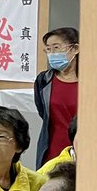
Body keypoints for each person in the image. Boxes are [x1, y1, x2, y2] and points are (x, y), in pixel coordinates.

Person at [34, 27, 79, 167]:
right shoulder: (44, 80)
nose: (52, 53)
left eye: (56, 47)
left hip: (81, 148)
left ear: (75, 49)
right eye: (48, 49)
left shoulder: (92, 82)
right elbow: (43, 112)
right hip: (51, 150)